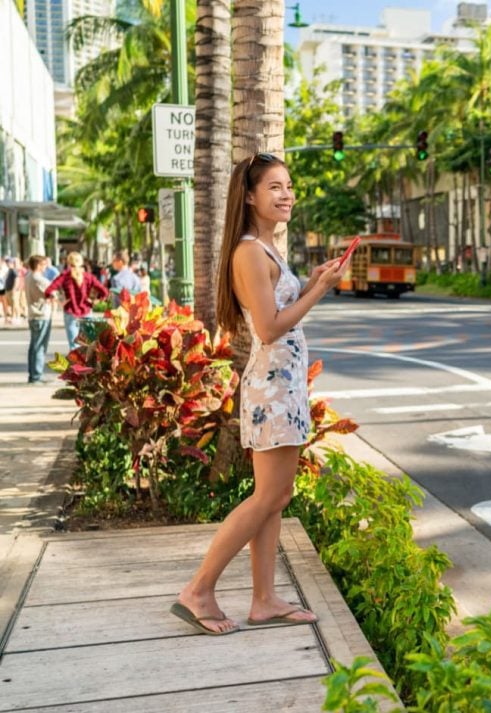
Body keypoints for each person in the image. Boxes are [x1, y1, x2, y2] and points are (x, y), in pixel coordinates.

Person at [172, 152, 349, 636]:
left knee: (274, 496)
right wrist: (321, 290)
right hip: (272, 385)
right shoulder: (249, 251)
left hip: (283, 384)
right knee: (270, 494)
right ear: (249, 196)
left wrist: (310, 283)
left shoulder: (266, 249)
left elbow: (276, 307)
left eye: (289, 185)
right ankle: (199, 589)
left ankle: (264, 598)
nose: (286, 194)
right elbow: (268, 328)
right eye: (274, 186)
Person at [44, 252, 109, 350]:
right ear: (81, 262)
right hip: (86, 311)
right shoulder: (88, 276)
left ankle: (76, 365)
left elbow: (48, 291)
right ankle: (87, 365)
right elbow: (104, 292)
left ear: (68, 262)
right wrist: (95, 301)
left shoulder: (64, 276)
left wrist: (59, 302)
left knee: (74, 347)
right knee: (88, 346)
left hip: (71, 312)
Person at [25, 256, 54, 384]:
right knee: (40, 347)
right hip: (42, 315)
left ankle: (33, 375)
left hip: (33, 314)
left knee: (34, 346)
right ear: (38, 265)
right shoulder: (40, 279)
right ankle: (37, 375)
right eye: (43, 264)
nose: (45, 267)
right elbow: (52, 294)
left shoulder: (28, 277)